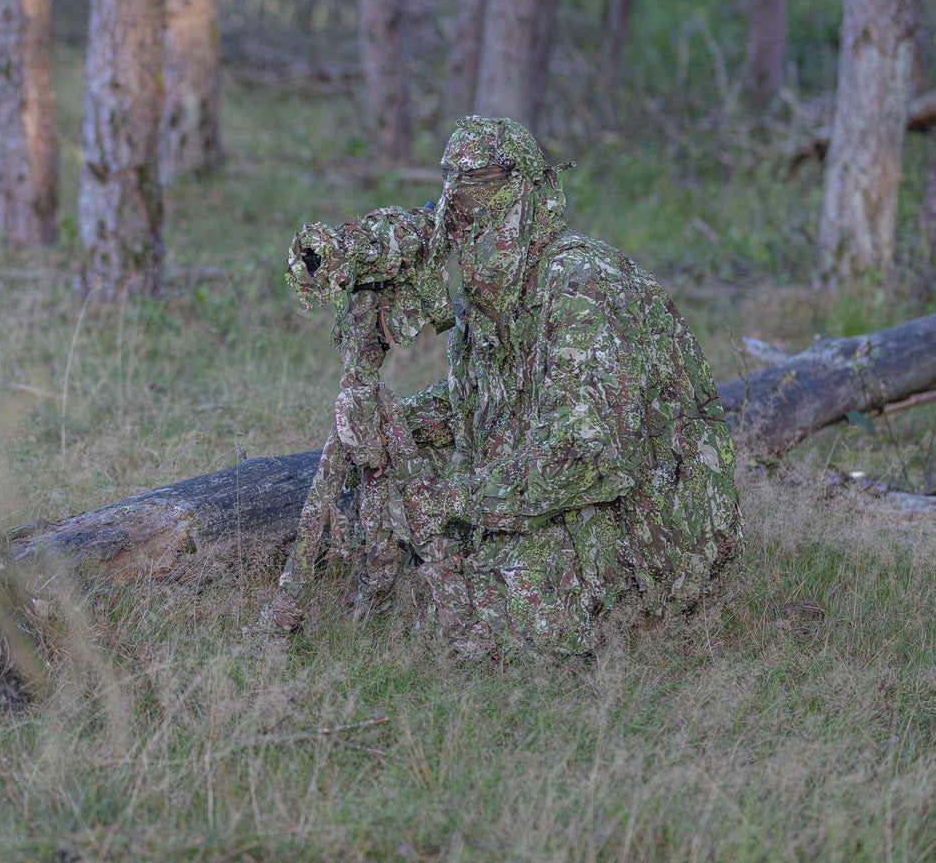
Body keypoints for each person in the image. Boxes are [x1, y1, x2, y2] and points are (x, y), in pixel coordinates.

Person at [264, 116, 741, 659]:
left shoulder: (580, 287)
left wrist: (452, 500)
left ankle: (620, 613)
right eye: (453, 182)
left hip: (651, 524)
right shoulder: (496, 287)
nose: (460, 205)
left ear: (527, 193)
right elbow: (480, 401)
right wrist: (399, 425)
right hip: (561, 486)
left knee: (493, 607)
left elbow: (586, 453)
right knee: (420, 536)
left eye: (479, 183)